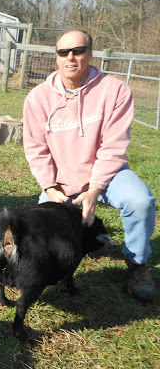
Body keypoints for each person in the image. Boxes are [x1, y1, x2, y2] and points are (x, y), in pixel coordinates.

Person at [22, 28, 156, 302]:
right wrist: (50, 187)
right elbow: (36, 148)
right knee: (40, 223)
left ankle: (138, 263)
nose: (70, 57)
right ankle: (48, 268)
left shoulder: (115, 91)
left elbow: (114, 145)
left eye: (78, 51)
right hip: (62, 179)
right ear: (57, 57)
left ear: (91, 54)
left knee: (140, 202)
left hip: (109, 173)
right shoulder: (38, 98)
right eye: (63, 52)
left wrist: (95, 189)